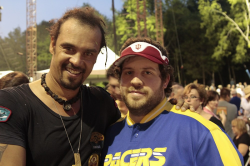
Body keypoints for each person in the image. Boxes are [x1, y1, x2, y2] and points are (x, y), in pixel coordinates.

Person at [0, 7, 122, 166]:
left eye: (88, 53)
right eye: (69, 49)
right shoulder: (12, 103)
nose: (77, 61)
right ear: (53, 45)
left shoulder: (102, 103)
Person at [102, 37, 243, 166]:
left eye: (147, 72)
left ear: (165, 80)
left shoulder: (203, 132)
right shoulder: (108, 134)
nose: (136, 81)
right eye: (128, 72)